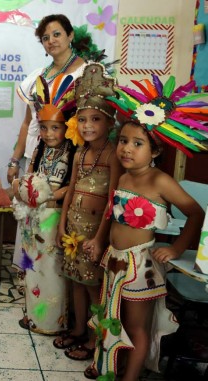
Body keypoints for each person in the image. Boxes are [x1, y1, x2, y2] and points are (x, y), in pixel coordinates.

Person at [85, 75, 206, 380]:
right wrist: (99, 242)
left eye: (137, 144)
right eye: (123, 141)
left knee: (137, 327)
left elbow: (196, 213)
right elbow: (113, 218)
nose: (126, 149)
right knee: (115, 319)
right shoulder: (124, 178)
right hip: (115, 261)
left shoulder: (159, 181)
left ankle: (130, 378)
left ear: (154, 152)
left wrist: (177, 248)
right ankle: (115, 366)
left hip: (141, 265)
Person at [9, 14, 88, 283]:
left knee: (56, 218)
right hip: (36, 157)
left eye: (56, 34)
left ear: (70, 35)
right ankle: (30, 276)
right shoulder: (37, 77)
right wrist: (15, 160)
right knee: (30, 218)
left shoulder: (87, 72)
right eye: (45, 37)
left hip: (70, 160)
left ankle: (54, 281)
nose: (51, 41)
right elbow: (27, 123)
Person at [52, 63, 123, 362]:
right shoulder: (80, 152)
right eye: (82, 120)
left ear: (109, 122)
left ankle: (96, 342)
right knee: (75, 283)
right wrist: (60, 227)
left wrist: (99, 238)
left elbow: (112, 200)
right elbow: (70, 190)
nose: (87, 126)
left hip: (95, 235)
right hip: (73, 232)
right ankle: (79, 329)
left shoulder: (112, 154)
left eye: (95, 119)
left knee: (94, 287)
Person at [11, 74, 78, 335]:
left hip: (53, 217)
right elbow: (31, 178)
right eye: (44, 127)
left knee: (51, 269)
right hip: (33, 216)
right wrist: (21, 188)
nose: (49, 133)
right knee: (32, 265)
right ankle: (33, 315)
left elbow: (70, 186)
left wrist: (50, 198)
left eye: (55, 128)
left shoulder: (73, 151)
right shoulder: (39, 149)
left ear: (67, 128)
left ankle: (51, 321)